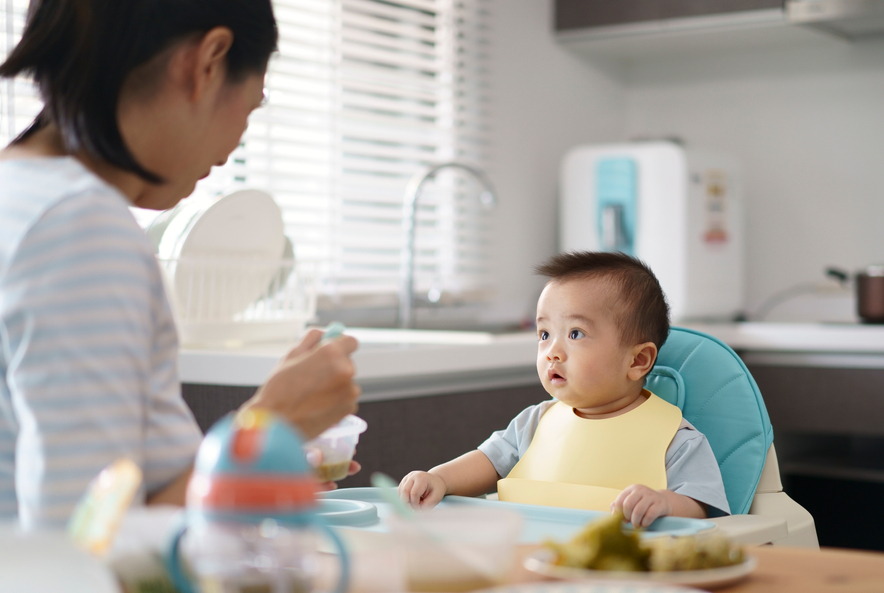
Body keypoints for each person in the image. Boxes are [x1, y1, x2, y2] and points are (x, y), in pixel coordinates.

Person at [0, 0, 359, 530]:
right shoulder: (80, 228)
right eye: (252, 106)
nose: (238, 139)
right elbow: (91, 542)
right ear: (208, 61)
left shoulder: (22, 199)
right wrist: (268, 426)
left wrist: (260, 462)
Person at [399, 251, 730, 526]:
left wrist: (664, 503)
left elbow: (702, 504)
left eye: (575, 333)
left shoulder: (676, 439)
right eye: (544, 334)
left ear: (638, 360)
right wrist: (440, 479)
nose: (552, 351)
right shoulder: (535, 423)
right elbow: (485, 461)